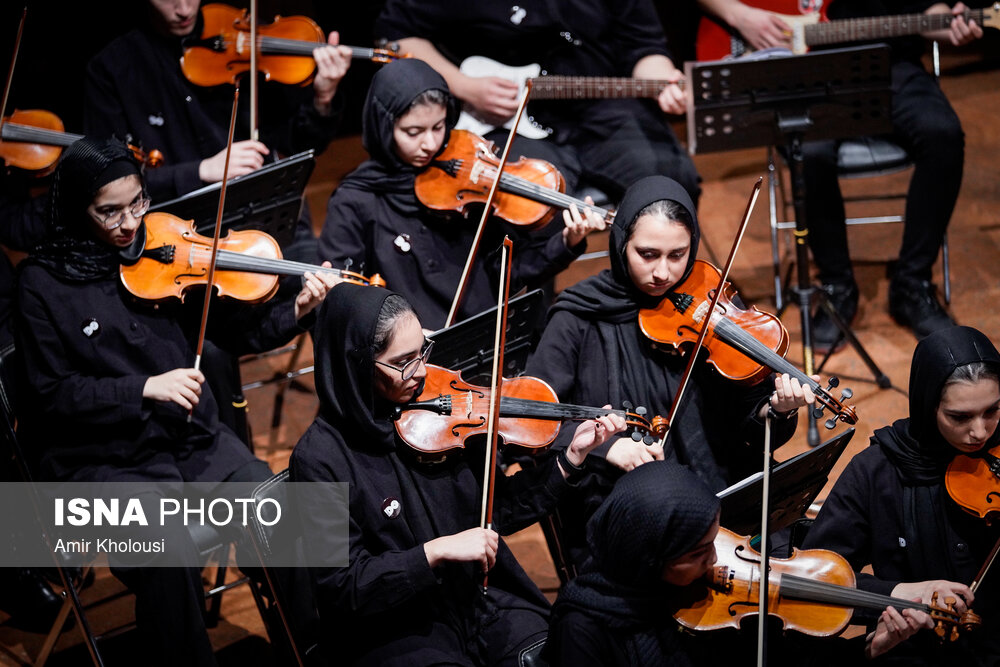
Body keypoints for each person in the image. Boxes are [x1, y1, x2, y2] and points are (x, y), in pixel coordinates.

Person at [14, 137, 339, 666]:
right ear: (78, 209)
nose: (128, 223)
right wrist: (142, 388)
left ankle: (314, 653)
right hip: (96, 463)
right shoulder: (41, 284)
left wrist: (297, 311)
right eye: (109, 211)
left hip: (186, 441)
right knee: (168, 546)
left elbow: (237, 330)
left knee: (278, 509)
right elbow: (50, 395)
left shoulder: (165, 253)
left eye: (137, 202)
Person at [289, 283, 626, 666]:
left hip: (476, 598)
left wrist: (571, 457)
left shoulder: (441, 416)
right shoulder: (316, 459)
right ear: (358, 364)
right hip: (393, 628)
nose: (421, 372)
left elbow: (497, 512)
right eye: (403, 362)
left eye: (423, 351)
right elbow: (342, 586)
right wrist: (434, 553)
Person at [524, 175, 815, 568]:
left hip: (716, 482)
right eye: (647, 254)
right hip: (624, 497)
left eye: (678, 255)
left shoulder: (710, 303)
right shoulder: (577, 315)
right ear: (620, 242)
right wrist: (608, 447)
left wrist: (778, 410)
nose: (663, 273)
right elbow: (531, 417)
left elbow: (746, 425)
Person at [700, 0, 983, 348]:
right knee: (811, 152)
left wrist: (951, 25)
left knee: (944, 135)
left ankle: (912, 284)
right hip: (805, 69)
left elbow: (925, 10)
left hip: (892, 64)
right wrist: (741, 16)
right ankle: (836, 286)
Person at [318, 58, 605, 330]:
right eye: (413, 131)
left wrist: (567, 241)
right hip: (407, 356)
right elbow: (344, 301)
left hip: (485, 340)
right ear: (383, 126)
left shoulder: (467, 186)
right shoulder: (355, 200)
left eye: (438, 127)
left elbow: (508, 276)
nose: (429, 144)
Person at [802, 325, 1000, 663]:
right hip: (913, 651)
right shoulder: (875, 472)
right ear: (927, 405)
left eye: (992, 411)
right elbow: (812, 579)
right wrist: (894, 594)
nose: (979, 432)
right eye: (959, 417)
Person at [373, 0, 700, 204]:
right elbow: (398, 37)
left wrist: (664, 81)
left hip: (600, 105)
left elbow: (643, 45)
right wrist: (463, 86)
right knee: (522, 200)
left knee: (670, 182)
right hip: (500, 115)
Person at [84, 0, 352, 209]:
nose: (183, 9)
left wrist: (323, 98)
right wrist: (201, 171)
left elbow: (301, 144)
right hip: (180, 229)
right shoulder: (111, 70)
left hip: (263, 204)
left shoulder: (244, 40)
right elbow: (108, 181)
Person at [546, 460, 722, 666]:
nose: (714, 559)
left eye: (713, 541)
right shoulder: (580, 632)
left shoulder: (671, 588)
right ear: (649, 559)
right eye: (697, 554)